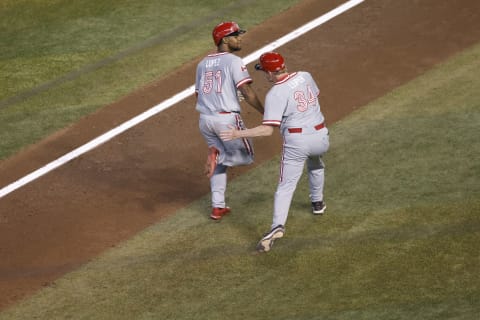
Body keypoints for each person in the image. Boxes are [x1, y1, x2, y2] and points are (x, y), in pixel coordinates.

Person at [220, 52, 330, 252]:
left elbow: (267, 130)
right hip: (321, 136)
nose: (265, 76)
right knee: (316, 164)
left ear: (270, 73)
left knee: (285, 186)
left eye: (264, 72)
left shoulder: (275, 94)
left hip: (298, 142)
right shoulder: (305, 75)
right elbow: (312, 98)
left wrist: (238, 133)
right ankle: (318, 203)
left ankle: (277, 226)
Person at [195, 21, 264, 221]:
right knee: (246, 156)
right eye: (235, 35)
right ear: (224, 40)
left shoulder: (202, 64)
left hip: (205, 120)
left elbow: (200, 94)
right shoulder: (234, 61)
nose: (239, 38)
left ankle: (218, 207)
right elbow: (247, 92)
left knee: (220, 164)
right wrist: (265, 112)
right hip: (226, 120)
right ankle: (219, 157)